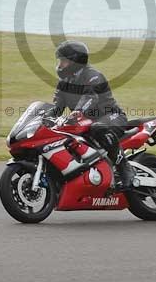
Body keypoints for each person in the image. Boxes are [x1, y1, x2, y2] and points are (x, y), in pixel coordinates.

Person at [52, 40, 134, 190]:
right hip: (85, 121)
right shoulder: (63, 82)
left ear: (75, 61)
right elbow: (56, 107)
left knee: (99, 127)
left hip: (112, 116)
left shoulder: (93, 76)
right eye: (60, 61)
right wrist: (44, 118)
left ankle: (125, 168)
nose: (60, 64)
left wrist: (78, 111)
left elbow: (91, 96)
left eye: (63, 61)